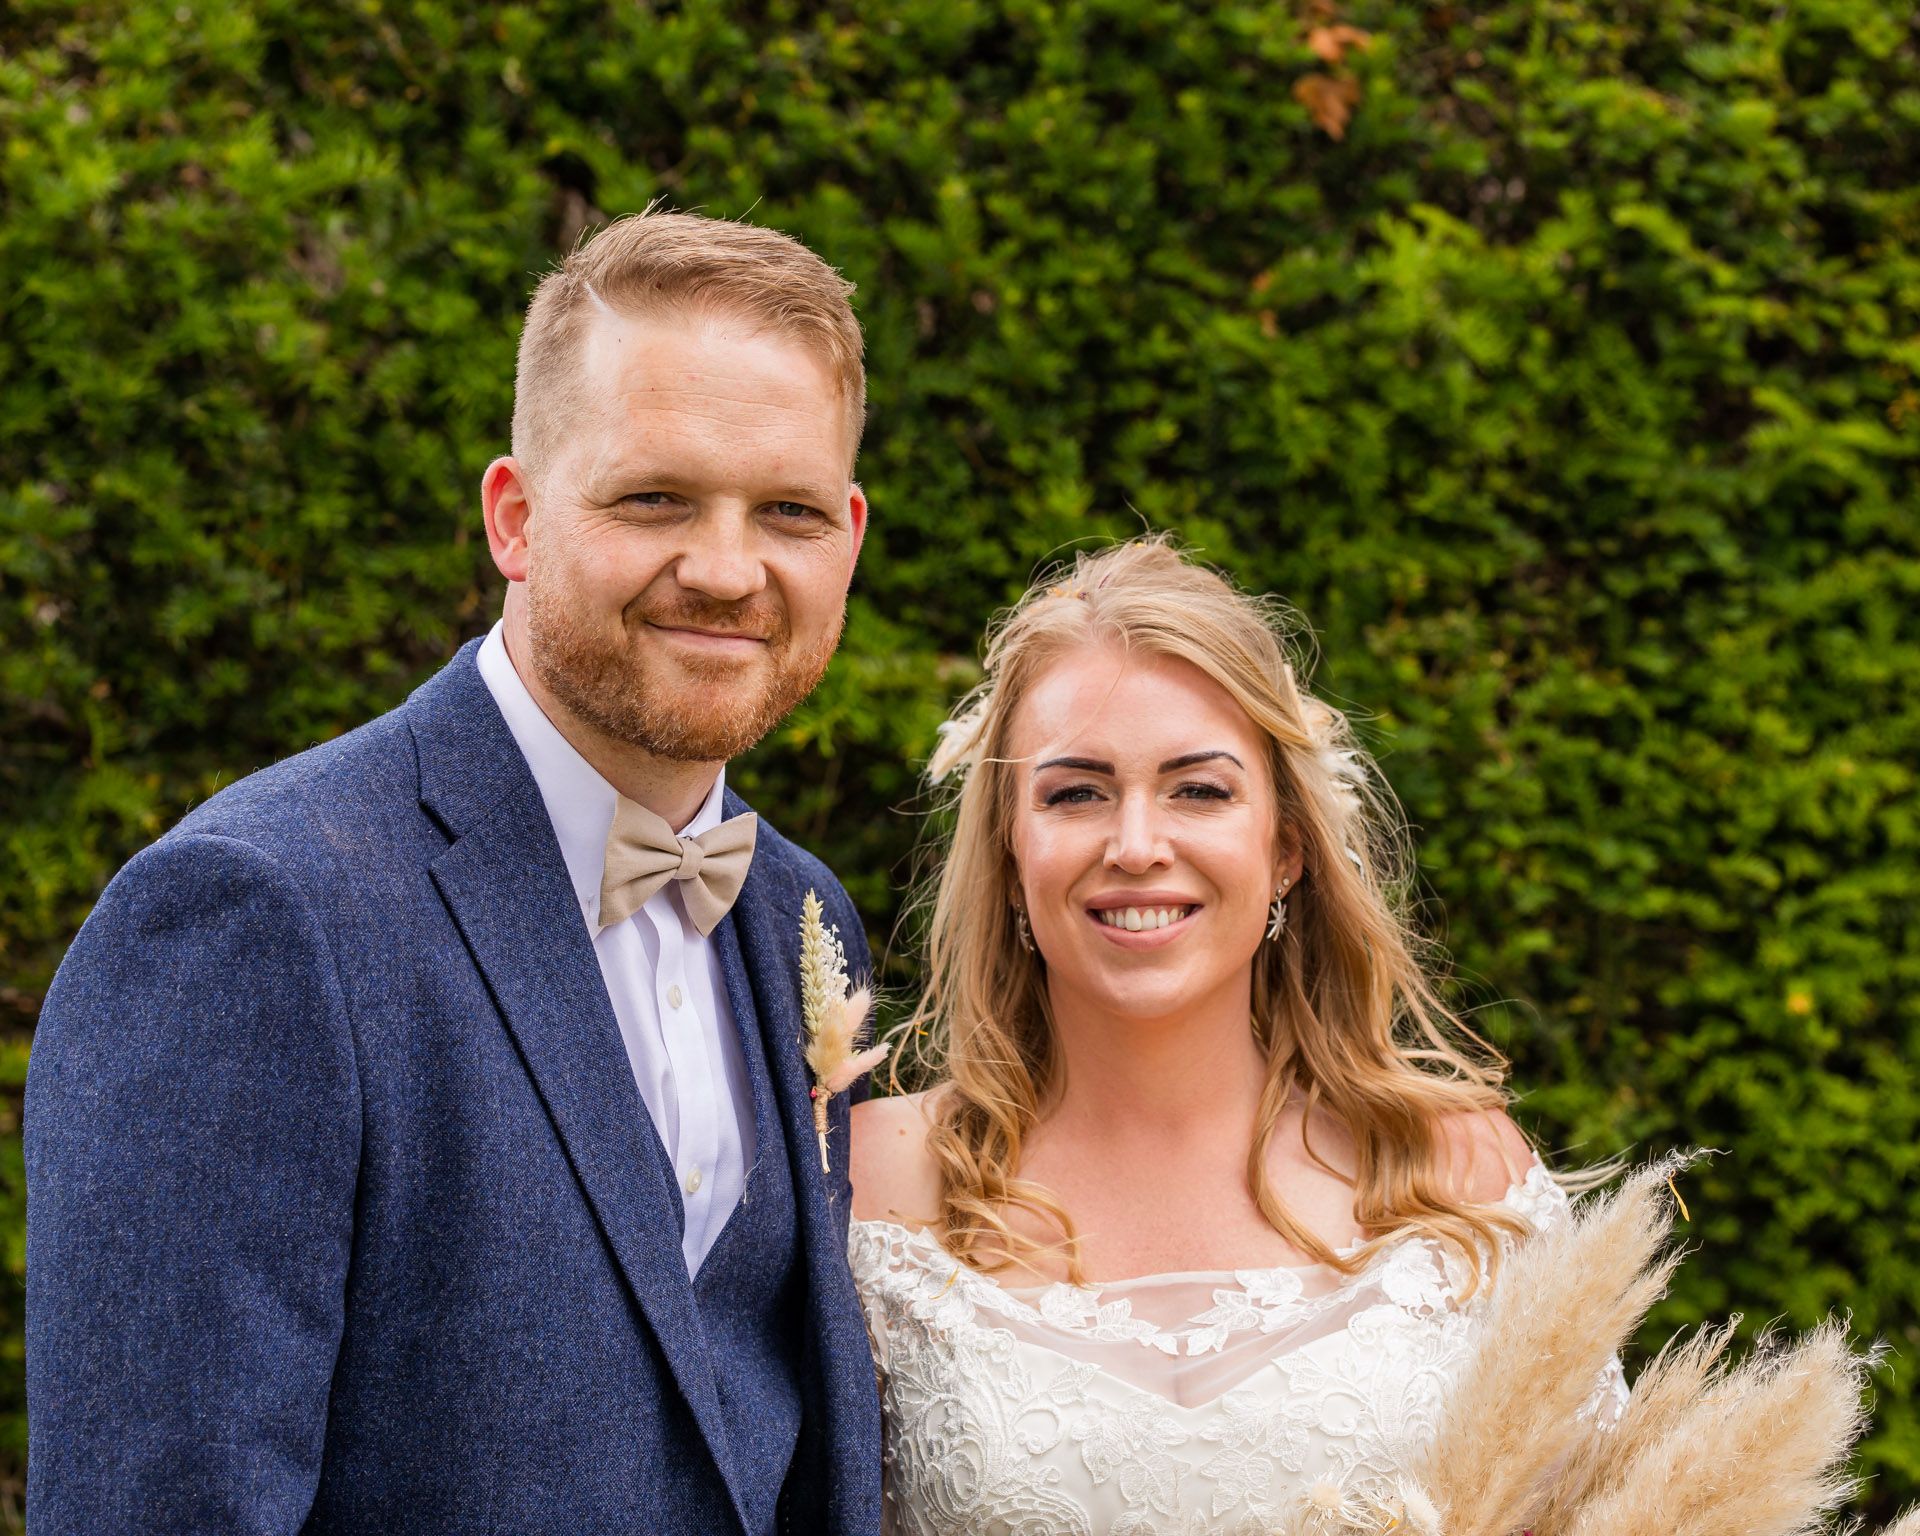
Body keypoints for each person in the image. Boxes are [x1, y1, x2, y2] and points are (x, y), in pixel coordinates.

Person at [26, 210, 883, 1535]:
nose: (727, 570)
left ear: (850, 538)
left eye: (789, 512)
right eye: (655, 497)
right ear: (515, 519)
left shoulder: (802, 918)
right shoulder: (256, 912)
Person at [848, 537, 1626, 1534]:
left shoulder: (1460, 1172)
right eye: (1077, 793)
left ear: (1286, 847)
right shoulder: (872, 1185)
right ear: (1011, 847)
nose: (1136, 846)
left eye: (1200, 790)